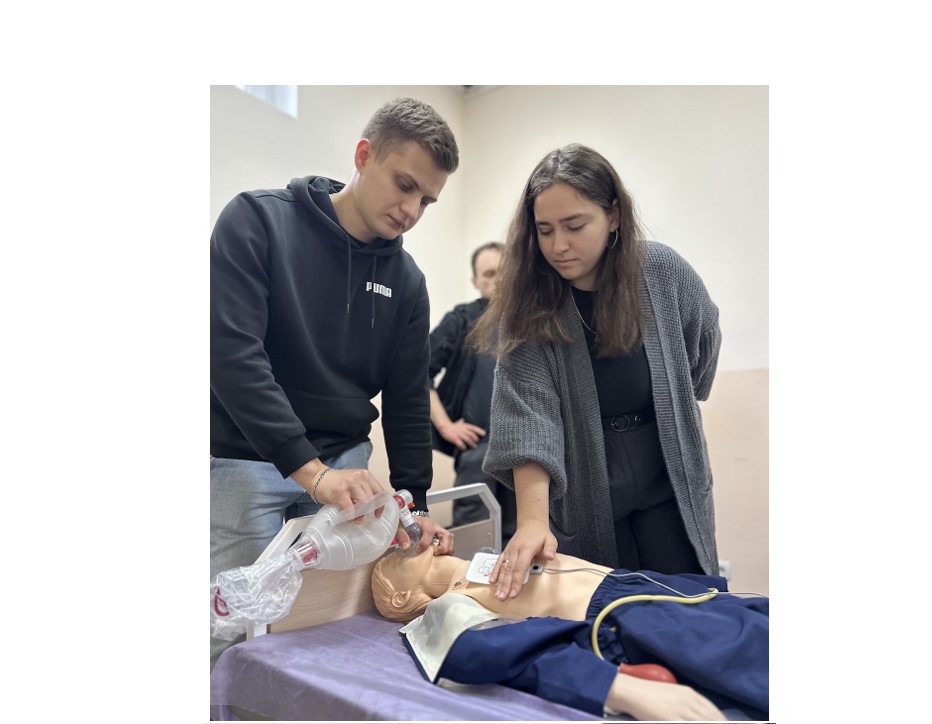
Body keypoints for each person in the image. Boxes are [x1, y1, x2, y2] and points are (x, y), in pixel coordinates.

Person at [210, 97, 458, 669]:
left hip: (347, 467)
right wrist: (311, 472)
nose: (412, 210)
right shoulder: (258, 221)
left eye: (426, 200)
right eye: (404, 185)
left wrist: (416, 501)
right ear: (364, 155)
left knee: (328, 628)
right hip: (249, 459)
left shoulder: (407, 282)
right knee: (234, 633)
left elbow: (406, 399)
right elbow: (232, 356)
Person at [469, 143, 723, 601]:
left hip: (667, 478)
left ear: (614, 216)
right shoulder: (530, 304)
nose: (558, 246)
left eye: (575, 226)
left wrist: (678, 400)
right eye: (545, 230)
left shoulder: (662, 272)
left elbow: (701, 341)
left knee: (688, 605)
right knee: (603, 610)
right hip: (585, 485)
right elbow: (528, 419)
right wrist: (532, 522)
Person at [370, 548, 768, 721]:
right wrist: (616, 687)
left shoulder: (485, 558)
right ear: (403, 596)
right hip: (633, 622)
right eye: (395, 560)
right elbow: (479, 647)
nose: (405, 546)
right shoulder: (451, 603)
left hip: (658, 594)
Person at [428, 241, 517, 542]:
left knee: (518, 537)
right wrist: (446, 426)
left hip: (523, 448)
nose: (499, 280)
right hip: (477, 448)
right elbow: (418, 373)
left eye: (505, 271)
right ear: (475, 280)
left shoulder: (531, 320)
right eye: (489, 273)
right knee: (474, 537)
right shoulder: (461, 319)